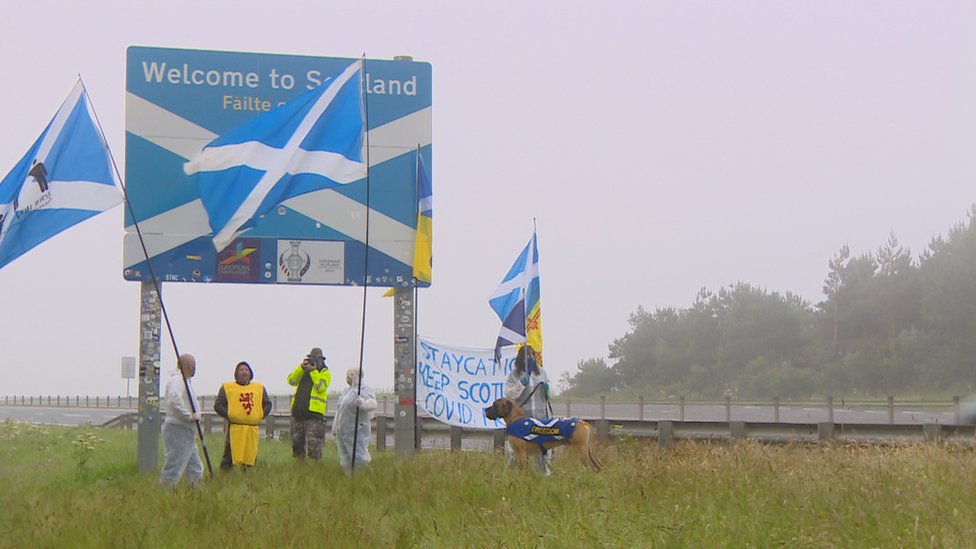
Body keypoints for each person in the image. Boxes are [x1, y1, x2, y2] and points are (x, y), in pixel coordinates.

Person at [214, 361, 272, 470]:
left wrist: (260, 415)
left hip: (252, 428)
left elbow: (267, 404)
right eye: (241, 370)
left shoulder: (259, 388)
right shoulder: (227, 387)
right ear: (236, 373)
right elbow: (218, 405)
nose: (244, 372)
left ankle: (247, 475)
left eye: (246, 370)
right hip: (235, 428)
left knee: (250, 453)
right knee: (230, 453)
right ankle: (226, 475)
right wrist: (230, 415)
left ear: (250, 373)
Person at [503, 345, 552, 475]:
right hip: (522, 421)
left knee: (542, 451)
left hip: (540, 418)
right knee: (515, 452)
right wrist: (522, 383)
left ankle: (543, 477)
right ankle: (512, 477)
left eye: (532, 355)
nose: (530, 358)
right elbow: (510, 395)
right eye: (527, 355)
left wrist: (547, 388)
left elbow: (549, 394)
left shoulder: (541, 372)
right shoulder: (513, 375)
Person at [160, 353, 205, 489]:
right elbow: (174, 400)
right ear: (187, 367)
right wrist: (189, 416)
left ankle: (197, 491)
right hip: (178, 429)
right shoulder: (177, 381)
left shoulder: (185, 382)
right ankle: (164, 492)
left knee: (195, 466)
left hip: (187, 431)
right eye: (193, 366)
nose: (194, 369)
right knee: (175, 463)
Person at [332, 368, 378, 474]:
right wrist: (335, 427)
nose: (347, 378)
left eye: (349, 376)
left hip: (357, 429)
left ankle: (363, 478)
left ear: (355, 376)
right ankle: (350, 478)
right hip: (343, 430)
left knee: (359, 456)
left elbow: (372, 404)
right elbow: (340, 410)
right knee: (345, 457)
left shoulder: (364, 390)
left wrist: (363, 404)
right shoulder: (346, 391)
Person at [288, 347, 331, 460]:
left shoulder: (324, 373)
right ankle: (299, 466)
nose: (313, 361)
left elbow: (320, 387)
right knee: (296, 443)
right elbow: (291, 381)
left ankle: (315, 468)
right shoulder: (303, 371)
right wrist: (301, 368)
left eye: (316, 359)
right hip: (298, 413)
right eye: (311, 359)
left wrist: (313, 372)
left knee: (314, 445)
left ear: (322, 360)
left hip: (314, 415)